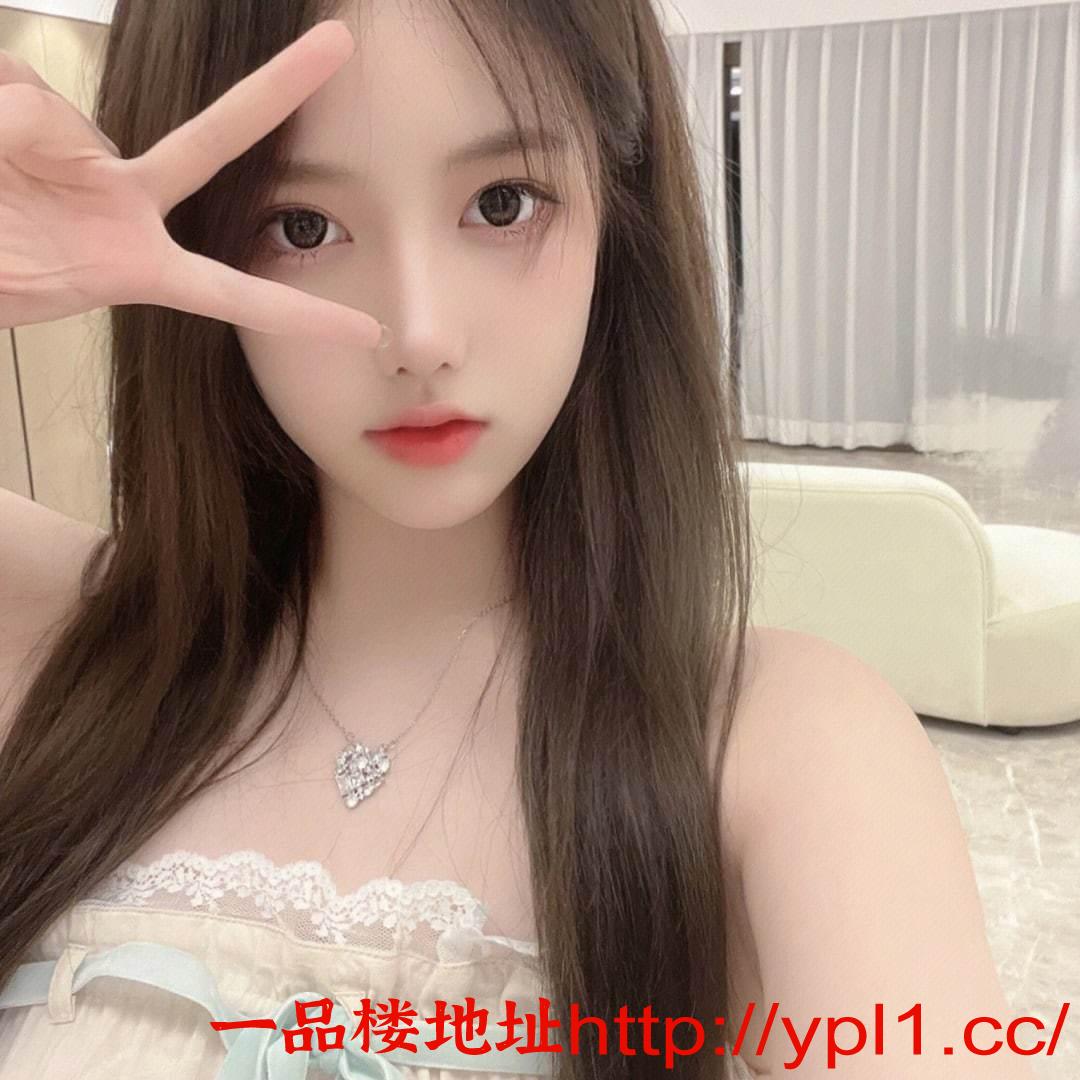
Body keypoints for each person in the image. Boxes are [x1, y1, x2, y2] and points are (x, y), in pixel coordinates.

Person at [0, 2, 1035, 1078]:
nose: (421, 334)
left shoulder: (780, 752)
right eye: (302, 227)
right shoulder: (49, 638)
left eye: (502, 203)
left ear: (617, 208)